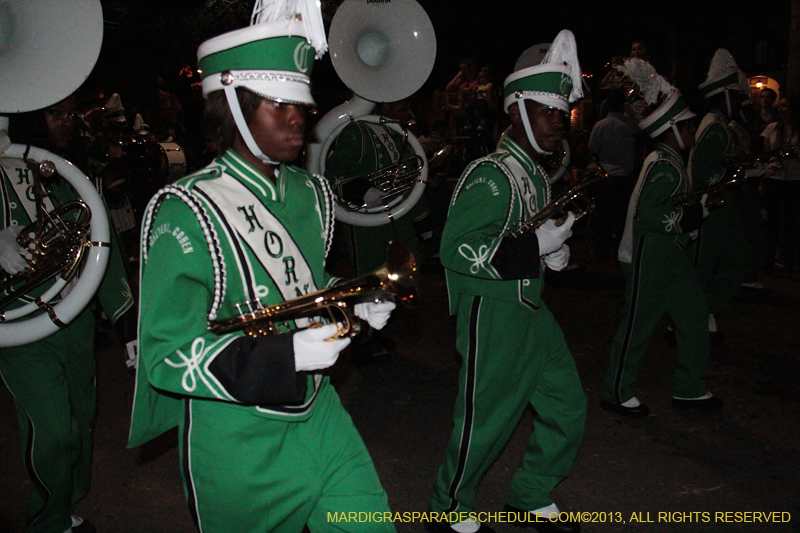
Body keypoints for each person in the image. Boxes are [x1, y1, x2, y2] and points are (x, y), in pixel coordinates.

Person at [126, 4, 396, 532]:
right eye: (279, 105)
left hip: (321, 417)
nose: (299, 118)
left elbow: (305, 287)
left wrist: (352, 297)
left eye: (301, 104)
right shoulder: (186, 208)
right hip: (237, 443)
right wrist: (284, 354)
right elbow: (166, 356)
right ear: (232, 108)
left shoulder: (311, 194)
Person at [426, 30, 586, 533]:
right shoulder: (489, 174)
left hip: (531, 310)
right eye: (548, 112)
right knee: (485, 421)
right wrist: (534, 249)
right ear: (517, 111)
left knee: (568, 407)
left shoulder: (536, 175)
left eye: (563, 113)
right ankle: (448, 510)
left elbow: (524, 238)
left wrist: (551, 252)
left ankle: (531, 494)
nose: (559, 122)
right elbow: (457, 250)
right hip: (493, 313)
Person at [0, 95, 135, 533]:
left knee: (80, 420)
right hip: (17, 323)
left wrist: (125, 320)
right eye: (54, 113)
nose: (66, 123)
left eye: (68, 114)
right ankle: (49, 520)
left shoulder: (65, 175)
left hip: (73, 320)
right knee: (54, 430)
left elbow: (103, 243)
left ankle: (65, 506)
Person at [600, 58, 721, 417]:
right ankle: (615, 391)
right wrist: (692, 216)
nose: (694, 129)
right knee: (637, 327)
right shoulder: (664, 165)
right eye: (688, 125)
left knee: (695, 318)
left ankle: (690, 389)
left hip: (671, 257)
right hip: (649, 255)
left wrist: (696, 207)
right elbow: (649, 215)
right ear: (672, 128)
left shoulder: (669, 160)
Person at [689, 49, 757, 336]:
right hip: (711, 205)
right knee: (700, 267)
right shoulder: (715, 127)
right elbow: (703, 173)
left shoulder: (721, 126)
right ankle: (690, 315)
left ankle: (704, 308)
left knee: (738, 259)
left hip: (722, 204)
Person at [587, 88, 641, 258]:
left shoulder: (600, 125)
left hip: (605, 176)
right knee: (621, 217)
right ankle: (619, 249)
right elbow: (643, 126)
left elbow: (592, 148)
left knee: (603, 215)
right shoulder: (630, 125)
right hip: (624, 177)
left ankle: (601, 251)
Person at [761, 95, 800, 277]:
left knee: (791, 221)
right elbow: (767, 153)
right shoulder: (772, 128)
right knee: (773, 221)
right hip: (774, 178)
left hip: (793, 179)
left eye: (786, 106)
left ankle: (789, 261)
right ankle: (770, 259)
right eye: (781, 106)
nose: (782, 109)